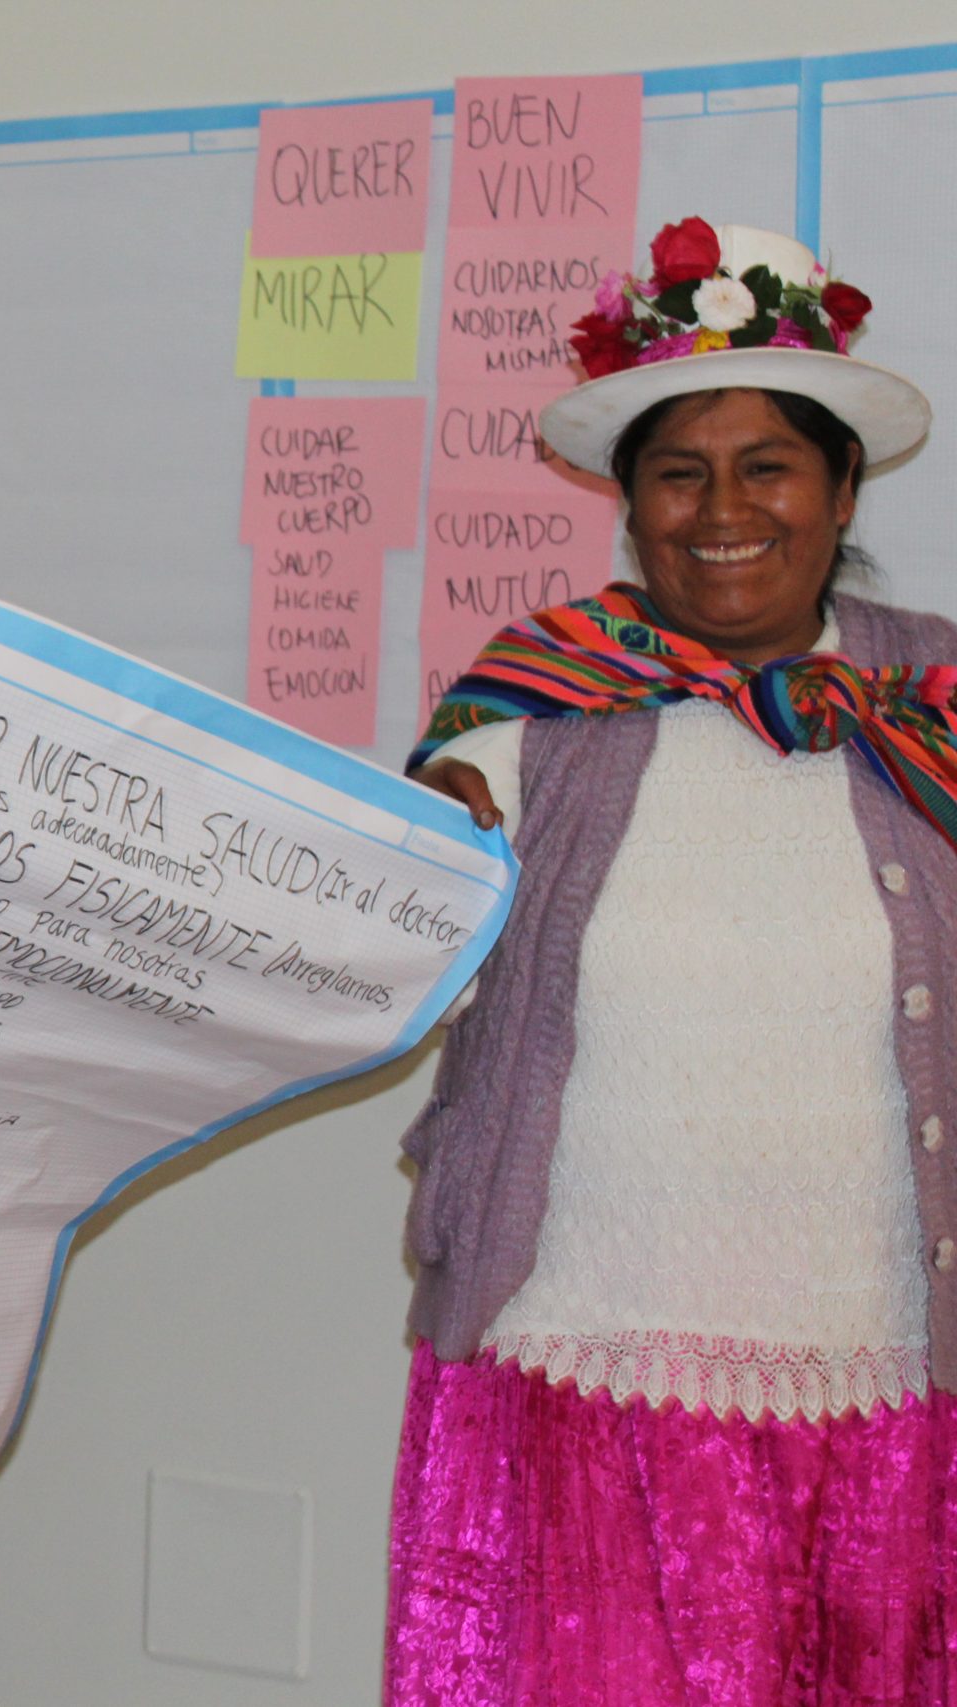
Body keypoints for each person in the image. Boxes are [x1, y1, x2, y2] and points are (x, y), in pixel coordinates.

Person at [394, 220, 957, 1700]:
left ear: (844, 488)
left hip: (889, 1382)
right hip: (579, 1375)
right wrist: (412, 854)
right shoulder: (532, 715)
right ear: (631, 502)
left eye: (769, 465)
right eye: (679, 473)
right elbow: (365, 957)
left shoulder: (936, 703)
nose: (724, 510)